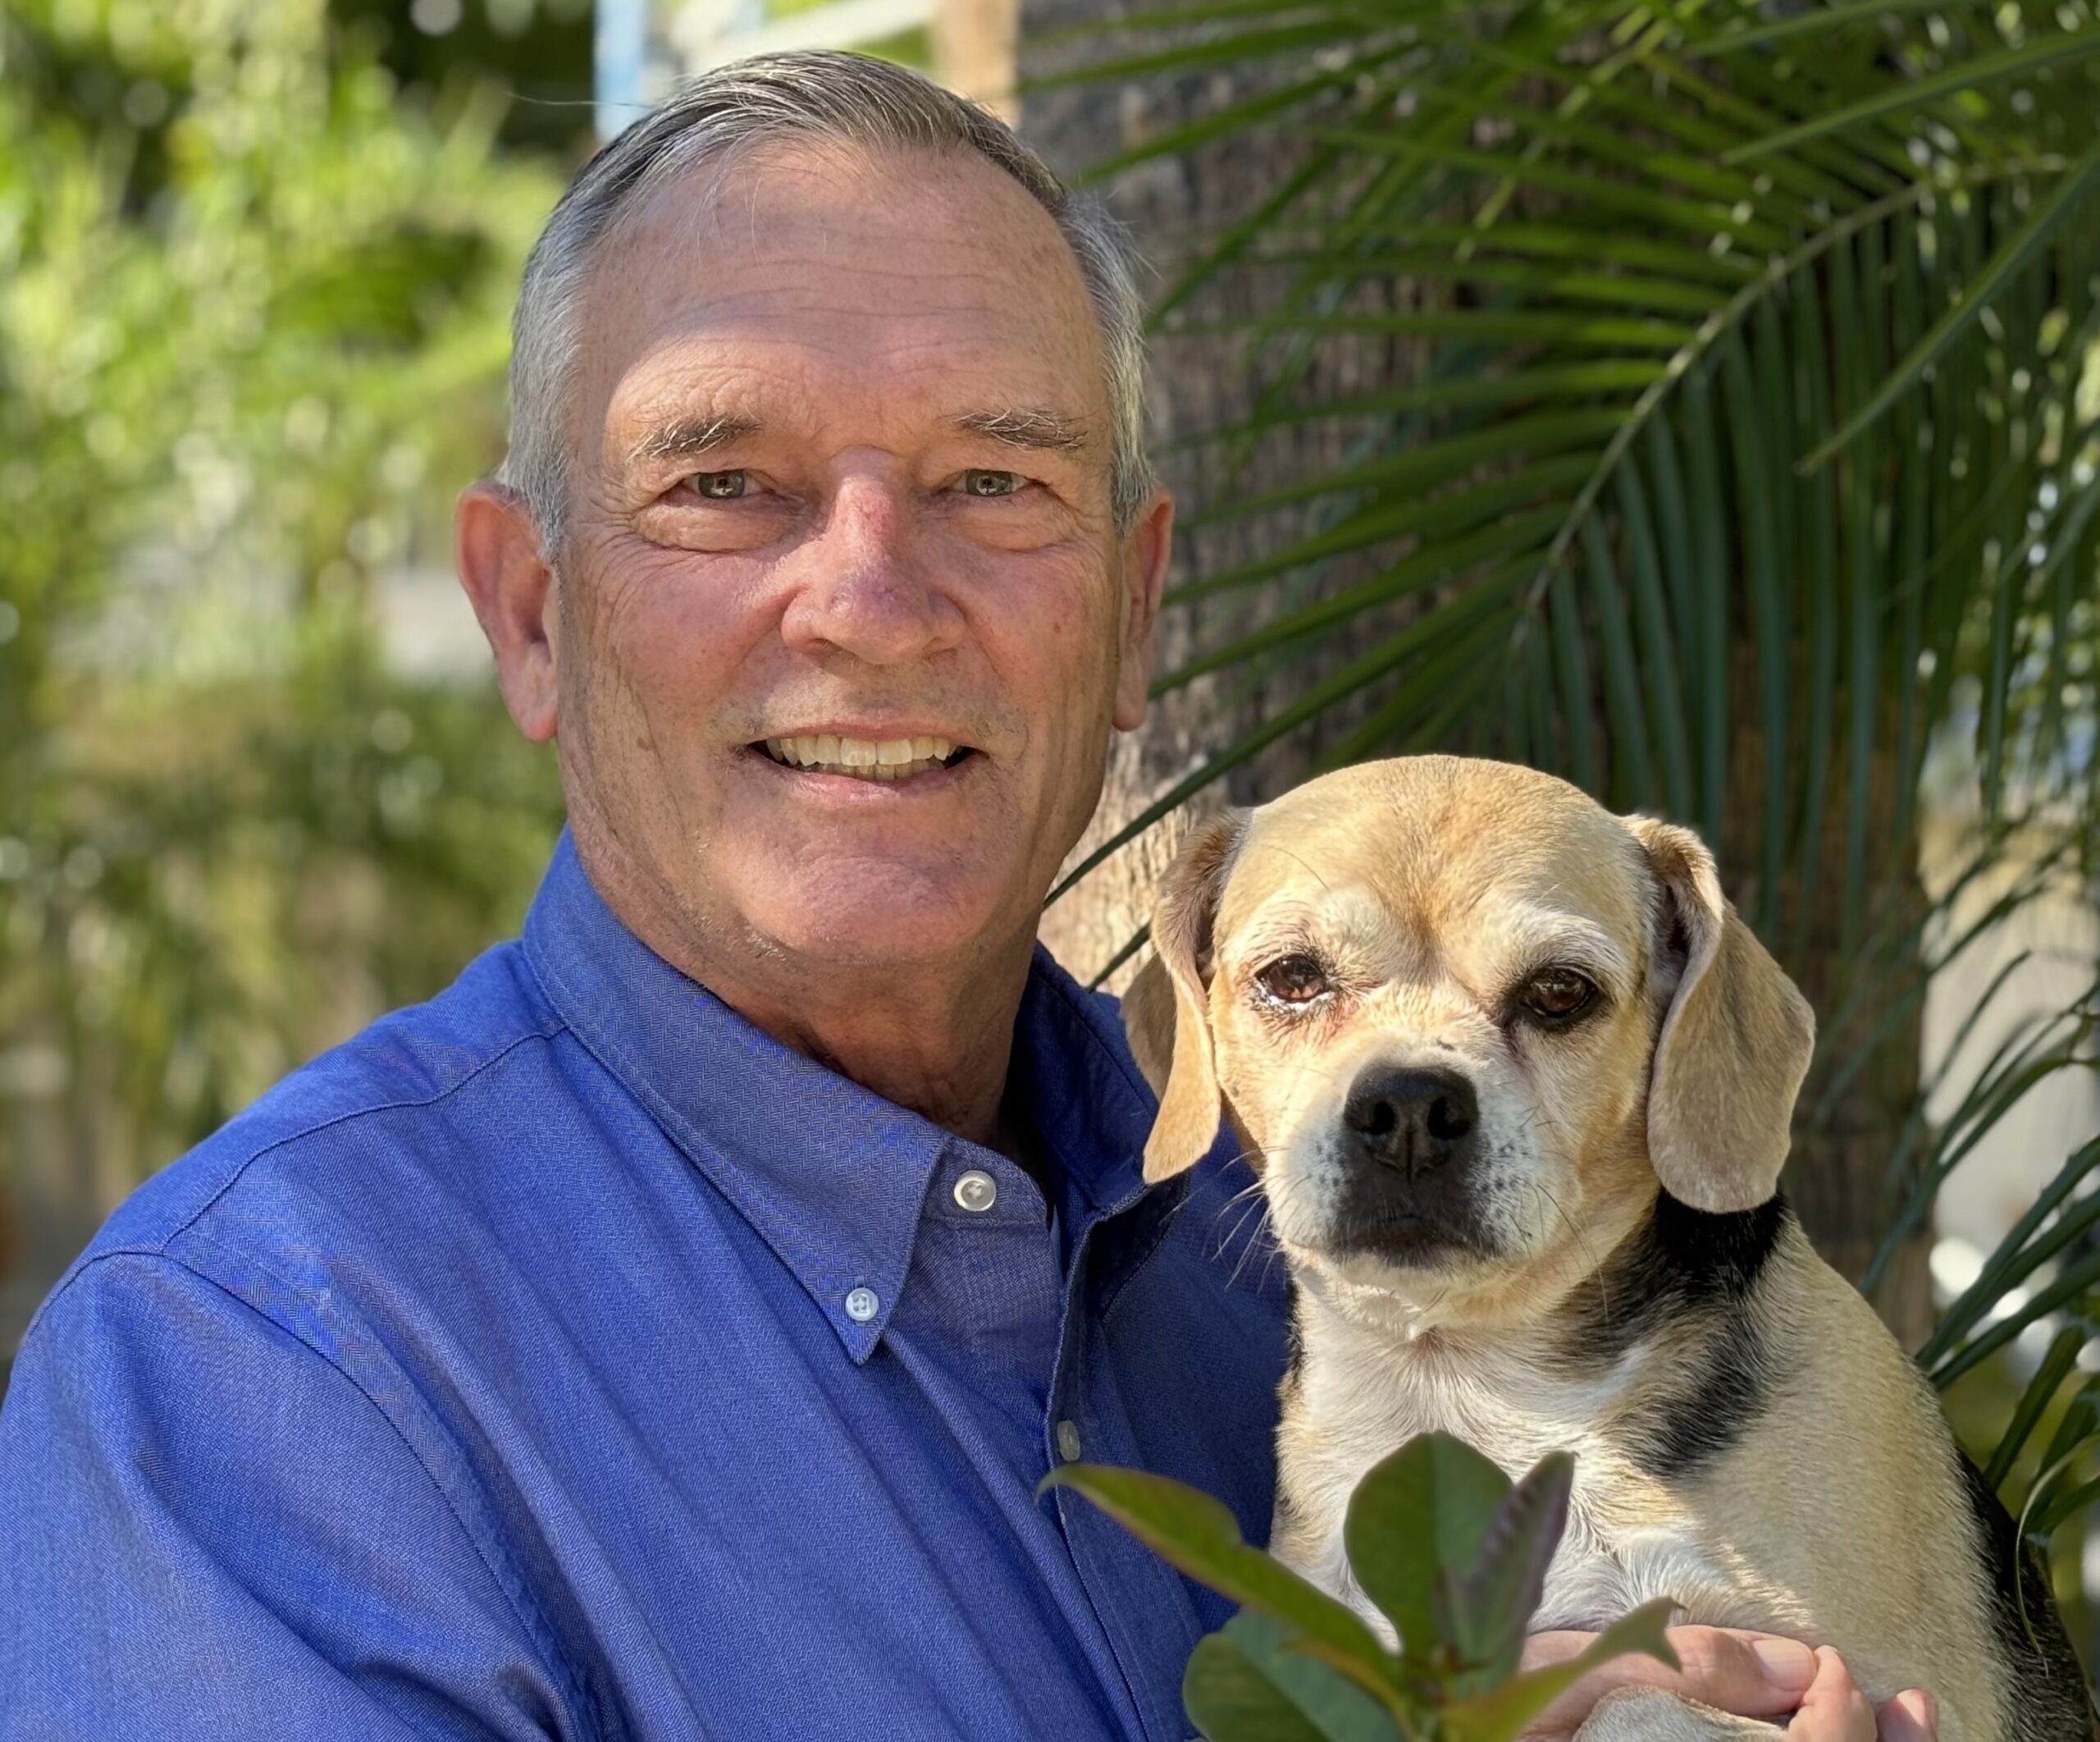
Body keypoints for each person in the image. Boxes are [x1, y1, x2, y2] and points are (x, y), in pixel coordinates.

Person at [0, 51, 1934, 1742]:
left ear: (1128, 621)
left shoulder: (1279, 1252)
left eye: (994, 483)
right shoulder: (264, 1372)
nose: (866, 597)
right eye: (723, 481)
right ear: (530, 613)